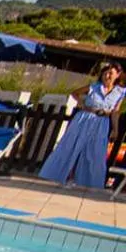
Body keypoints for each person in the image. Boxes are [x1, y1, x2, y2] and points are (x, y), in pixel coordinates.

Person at [40, 62, 125, 191]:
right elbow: (75, 93)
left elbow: (115, 111)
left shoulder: (120, 92)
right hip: (85, 118)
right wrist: (82, 103)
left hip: (102, 122)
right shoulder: (94, 87)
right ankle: (58, 175)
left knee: (95, 152)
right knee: (72, 145)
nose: (107, 76)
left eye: (110, 73)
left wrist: (115, 129)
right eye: (105, 73)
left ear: (117, 75)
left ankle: (90, 182)